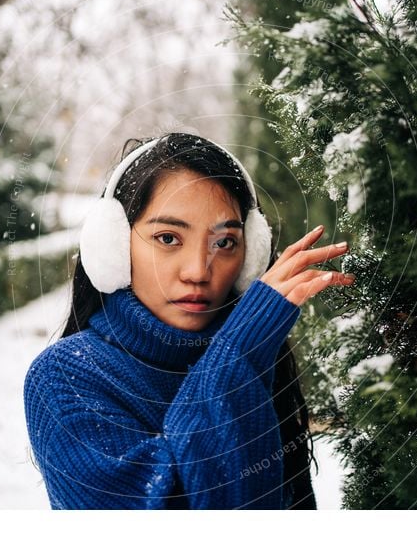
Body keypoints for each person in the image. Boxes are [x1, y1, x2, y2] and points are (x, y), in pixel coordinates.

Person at [23, 132, 354, 509]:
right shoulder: (64, 377)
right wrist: (240, 351)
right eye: (167, 238)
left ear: (251, 257)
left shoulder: (258, 357)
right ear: (113, 244)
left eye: (225, 243)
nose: (198, 271)